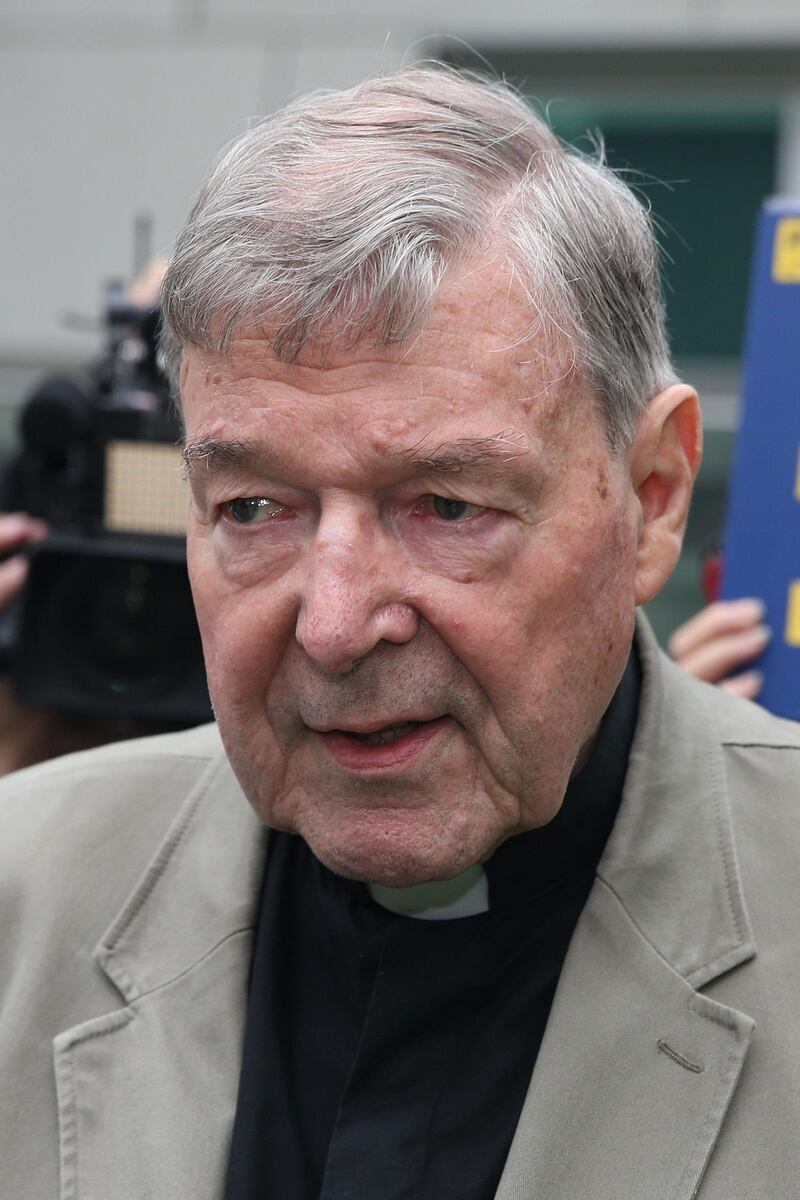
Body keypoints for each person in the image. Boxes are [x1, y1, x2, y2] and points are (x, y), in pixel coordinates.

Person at [2, 66, 800, 1200]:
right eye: (253, 509)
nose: (332, 627)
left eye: (445, 506)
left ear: (653, 493)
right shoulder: (18, 894)